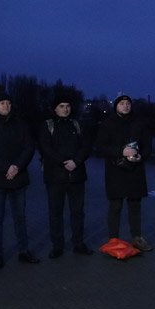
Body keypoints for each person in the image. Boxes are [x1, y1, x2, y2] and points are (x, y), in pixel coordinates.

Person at [0, 90, 39, 268]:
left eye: (8, 103)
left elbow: (28, 147)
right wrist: (6, 167)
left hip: (18, 177)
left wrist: (17, 166)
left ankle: (23, 251)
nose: (6, 105)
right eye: (2, 103)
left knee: (20, 217)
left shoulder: (20, 124)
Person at [96, 94, 152, 252]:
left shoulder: (139, 123)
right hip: (116, 170)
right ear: (116, 106)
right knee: (115, 206)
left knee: (135, 205)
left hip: (135, 169)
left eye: (128, 103)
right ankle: (113, 240)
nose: (126, 106)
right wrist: (121, 151)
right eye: (122, 103)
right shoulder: (107, 124)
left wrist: (142, 155)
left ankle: (137, 237)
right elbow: (101, 146)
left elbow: (147, 144)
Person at [38, 96, 92, 258]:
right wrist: (63, 162)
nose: (65, 109)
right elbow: (45, 148)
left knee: (78, 212)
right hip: (55, 177)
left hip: (76, 175)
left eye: (68, 106)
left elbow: (86, 145)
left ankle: (78, 243)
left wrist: (76, 161)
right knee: (56, 212)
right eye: (61, 106)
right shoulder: (48, 125)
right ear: (55, 108)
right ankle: (57, 245)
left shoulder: (77, 124)